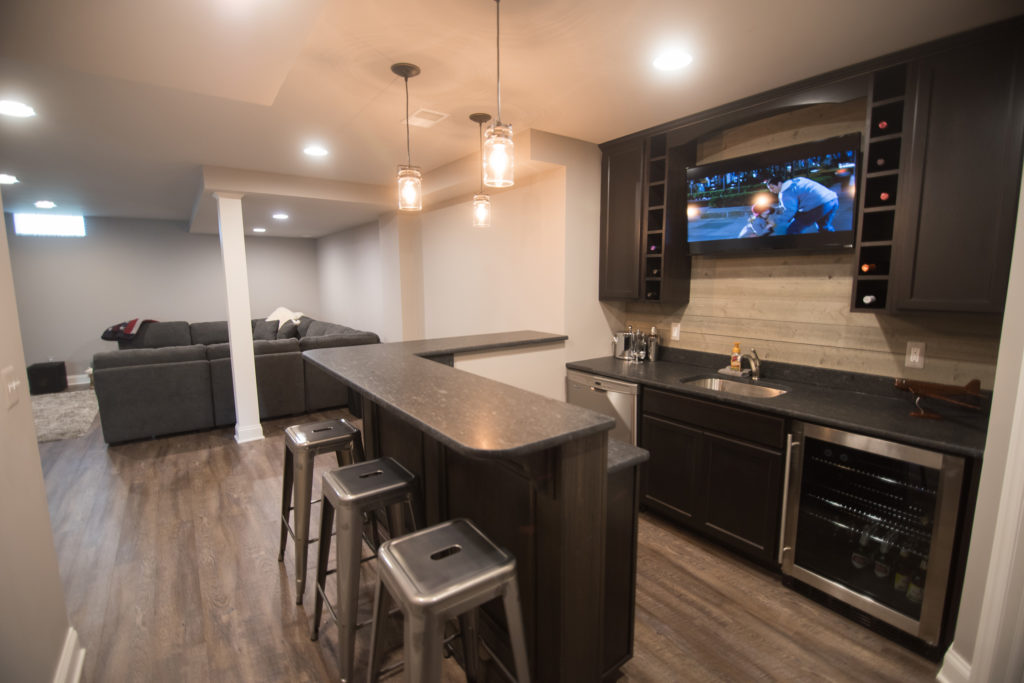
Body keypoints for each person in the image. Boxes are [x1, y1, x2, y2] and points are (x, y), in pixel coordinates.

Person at [765, 175, 839, 235]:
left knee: (793, 230)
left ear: (779, 183)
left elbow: (790, 211)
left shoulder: (785, 193)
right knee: (824, 227)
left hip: (820, 206)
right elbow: (790, 205)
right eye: (770, 189)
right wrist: (776, 209)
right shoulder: (798, 180)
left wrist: (775, 221)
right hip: (832, 199)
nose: (771, 191)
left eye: (772, 187)